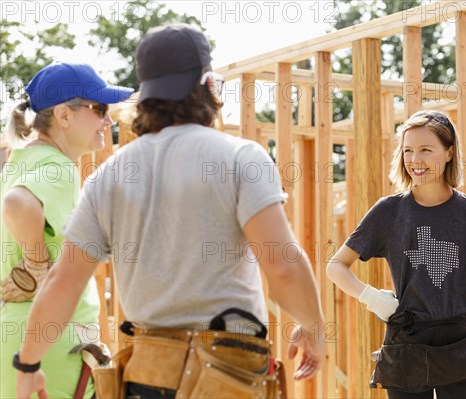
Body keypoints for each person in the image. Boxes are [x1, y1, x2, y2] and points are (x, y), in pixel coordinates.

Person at [15, 24, 326, 399]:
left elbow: (63, 281)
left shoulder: (111, 174)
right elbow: (282, 265)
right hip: (229, 373)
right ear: (210, 86)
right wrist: (313, 327)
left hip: (148, 372)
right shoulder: (241, 158)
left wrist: (29, 364)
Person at [327, 110, 466, 399]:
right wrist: (372, 298)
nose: (415, 160)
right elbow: (336, 266)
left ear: (449, 152)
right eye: (408, 151)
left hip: (459, 344)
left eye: (426, 150)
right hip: (405, 343)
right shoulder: (389, 212)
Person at [1, 62, 133, 398]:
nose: (108, 120)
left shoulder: (20, 161)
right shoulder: (57, 167)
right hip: (53, 345)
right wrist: (35, 263)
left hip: (19, 337)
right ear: (64, 115)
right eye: (99, 109)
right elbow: (17, 204)